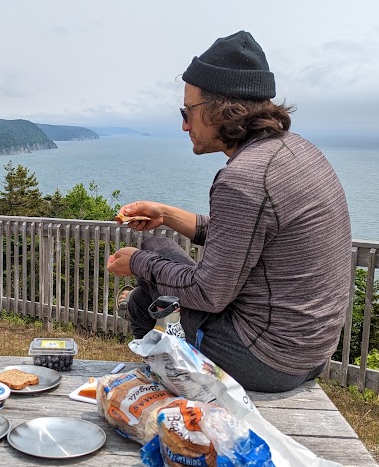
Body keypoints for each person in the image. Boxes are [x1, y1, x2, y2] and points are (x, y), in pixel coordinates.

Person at [107, 31, 352, 393]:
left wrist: (136, 265)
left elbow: (209, 294)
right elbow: (244, 235)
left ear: (220, 108)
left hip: (265, 358)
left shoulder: (245, 177)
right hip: (311, 352)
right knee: (157, 248)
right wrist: (166, 214)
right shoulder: (297, 151)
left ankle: (163, 392)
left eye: (187, 111)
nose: (184, 125)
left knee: (147, 297)